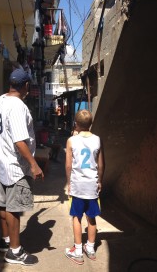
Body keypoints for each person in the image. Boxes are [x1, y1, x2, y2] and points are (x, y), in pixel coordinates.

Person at [0, 68, 44, 265]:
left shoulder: (2, 99)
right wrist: (34, 164)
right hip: (16, 167)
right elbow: (19, 141)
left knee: (4, 204)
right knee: (14, 208)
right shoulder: (17, 106)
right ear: (25, 86)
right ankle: (14, 251)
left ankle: (6, 240)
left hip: (3, 162)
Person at [64, 109, 105, 265]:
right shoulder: (97, 140)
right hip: (92, 185)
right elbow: (101, 164)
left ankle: (78, 250)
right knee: (91, 217)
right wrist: (99, 180)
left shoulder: (71, 141)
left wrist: (69, 183)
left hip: (78, 185)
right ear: (91, 124)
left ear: (76, 124)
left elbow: (68, 166)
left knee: (76, 216)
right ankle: (91, 248)